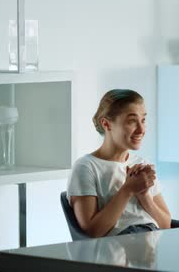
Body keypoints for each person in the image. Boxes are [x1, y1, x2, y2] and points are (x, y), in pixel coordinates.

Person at [66, 89, 171, 237]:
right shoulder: (86, 167)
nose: (141, 129)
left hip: (152, 242)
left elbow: (166, 225)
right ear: (106, 124)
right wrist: (127, 190)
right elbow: (93, 232)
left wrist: (144, 196)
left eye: (143, 120)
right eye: (132, 121)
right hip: (118, 248)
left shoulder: (141, 165)